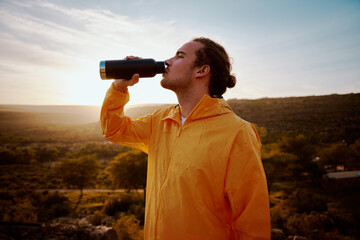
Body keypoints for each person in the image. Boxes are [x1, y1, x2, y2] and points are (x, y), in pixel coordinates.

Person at [101, 37, 271, 240]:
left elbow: (251, 221)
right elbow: (113, 129)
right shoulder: (160, 121)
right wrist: (119, 88)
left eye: (179, 56)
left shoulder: (237, 132)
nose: (168, 61)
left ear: (202, 70)